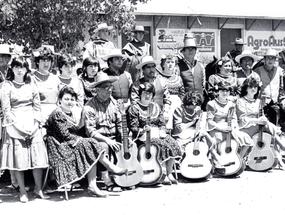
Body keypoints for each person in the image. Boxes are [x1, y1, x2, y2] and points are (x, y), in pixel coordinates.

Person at [45, 87, 127, 197]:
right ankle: (108, 168)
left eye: (72, 100)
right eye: (66, 99)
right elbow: (65, 135)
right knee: (90, 144)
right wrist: (81, 140)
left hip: (69, 143)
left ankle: (93, 185)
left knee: (90, 145)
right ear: (60, 100)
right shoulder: (57, 114)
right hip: (59, 147)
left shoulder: (70, 113)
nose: (70, 102)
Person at [0, 56, 49, 203]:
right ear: (12, 68)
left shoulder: (31, 83)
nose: (20, 70)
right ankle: (22, 191)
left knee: (37, 158)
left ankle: (38, 188)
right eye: (16, 67)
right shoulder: (6, 85)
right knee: (19, 160)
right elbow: (6, 110)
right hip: (15, 125)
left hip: (32, 123)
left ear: (27, 69)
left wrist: (36, 125)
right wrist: (17, 128)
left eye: (22, 67)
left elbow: (37, 106)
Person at [127, 82, 182, 185]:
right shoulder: (134, 108)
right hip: (142, 137)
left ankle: (170, 173)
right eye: (144, 93)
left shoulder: (156, 106)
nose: (147, 96)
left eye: (150, 94)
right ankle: (163, 172)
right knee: (161, 144)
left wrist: (162, 130)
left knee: (172, 142)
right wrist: (143, 129)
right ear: (140, 94)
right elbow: (133, 127)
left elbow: (162, 123)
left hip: (157, 133)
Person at [83, 72, 124, 192]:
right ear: (97, 90)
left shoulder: (114, 103)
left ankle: (123, 177)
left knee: (127, 145)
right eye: (106, 88)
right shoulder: (89, 107)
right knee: (103, 146)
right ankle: (107, 180)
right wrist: (108, 140)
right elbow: (90, 131)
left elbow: (120, 123)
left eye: (111, 87)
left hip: (114, 135)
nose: (110, 90)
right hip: (99, 138)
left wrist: (125, 138)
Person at [236, 77, 285, 162]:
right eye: (251, 87)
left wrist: (263, 119)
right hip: (245, 127)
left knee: (267, 125)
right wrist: (257, 121)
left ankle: (278, 159)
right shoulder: (240, 101)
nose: (253, 89)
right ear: (246, 88)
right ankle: (282, 146)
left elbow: (260, 115)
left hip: (258, 126)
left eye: (255, 87)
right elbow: (242, 118)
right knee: (269, 128)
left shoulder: (258, 101)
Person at [206, 81, 253, 166]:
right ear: (217, 92)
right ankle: (217, 162)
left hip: (229, 128)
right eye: (222, 91)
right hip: (216, 128)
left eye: (227, 91)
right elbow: (210, 121)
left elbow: (234, 118)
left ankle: (238, 160)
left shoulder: (231, 104)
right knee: (214, 141)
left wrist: (234, 127)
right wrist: (221, 128)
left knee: (246, 139)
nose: (225, 93)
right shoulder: (211, 104)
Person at [254, 48, 285, 125]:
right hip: (262, 104)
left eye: (273, 58)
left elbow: (281, 87)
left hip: (275, 103)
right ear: (264, 59)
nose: (270, 60)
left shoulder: (280, 71)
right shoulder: (257, 71)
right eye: (268, 58)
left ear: (275, 60)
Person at [157, 54, 184, 130]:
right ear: (163, 64)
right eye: (168, 62)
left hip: (177, 104)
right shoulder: (159, 78)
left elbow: (182, 93)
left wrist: (182, 104)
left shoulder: (178, 78)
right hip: (164, 103)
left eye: (172, 62)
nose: (170, 64)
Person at [32, 46, 58, 124]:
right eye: (43, 60)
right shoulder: (31, 79)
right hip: (38, 115)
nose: (46, 63)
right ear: (37, 62)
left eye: (49, 60)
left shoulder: (55, 78)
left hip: (55, 115)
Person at [177, 33, 205, 97]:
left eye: (193, 48)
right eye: (188, 48)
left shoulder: (200, 66)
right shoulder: (178, 66)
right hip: (185, 102)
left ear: (195, 51)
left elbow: (203, 84)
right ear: (183, 52)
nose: (191, 51)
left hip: (199, 101)